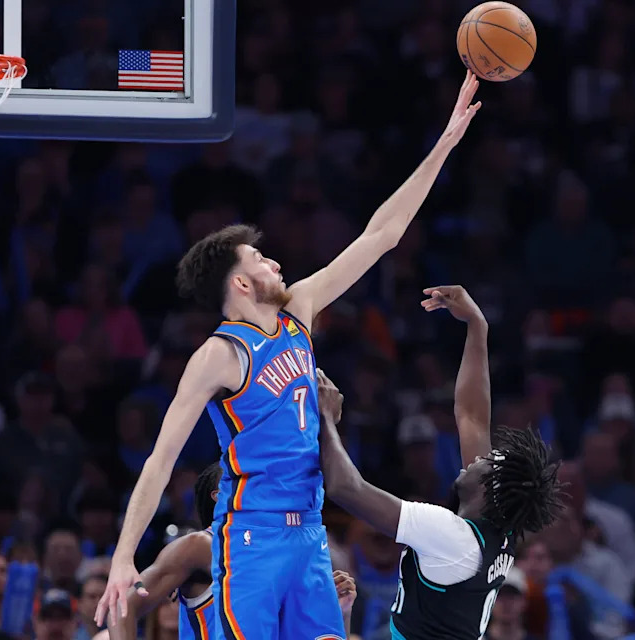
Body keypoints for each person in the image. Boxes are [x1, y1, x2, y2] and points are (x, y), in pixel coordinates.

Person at [96, 71, 483, 639]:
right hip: (250, 537)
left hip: (310, 535)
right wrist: (123, 555)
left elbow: (383, 234)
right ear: (240, 284)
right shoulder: (218, 355)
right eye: (259, 258)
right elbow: (159, 461)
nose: (274, 262)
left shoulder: (299, 309)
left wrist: (445, 142)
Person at [316, 285, 564, 640]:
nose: (478, 458)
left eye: (488, 461)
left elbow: (345, 487)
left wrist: (326, 417)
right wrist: (477, 326)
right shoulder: (500, 526)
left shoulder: (450, 537)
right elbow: (472, 416)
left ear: (490, 486)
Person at [106, 464, 358, 640]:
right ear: (220, 495)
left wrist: (340, 613)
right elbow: (121, 608)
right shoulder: (200, 546)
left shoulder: (290, 550)